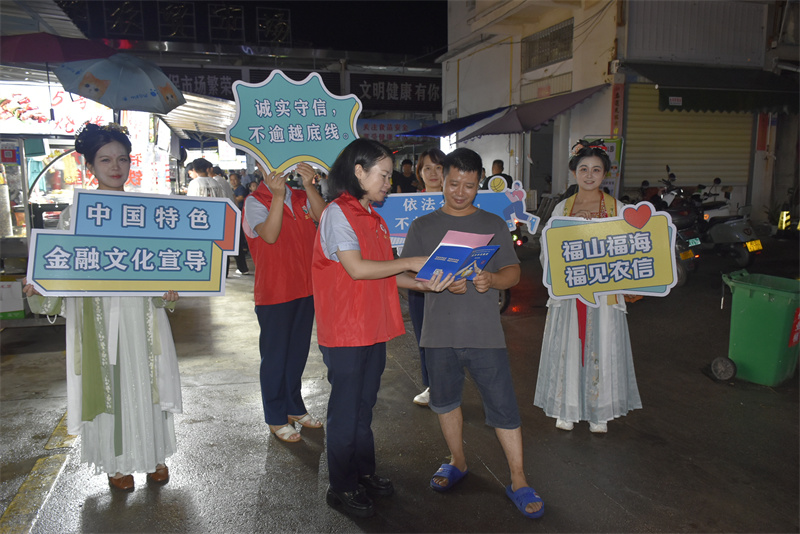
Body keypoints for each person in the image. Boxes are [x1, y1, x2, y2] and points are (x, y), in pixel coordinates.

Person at [23, 122, 182, 493]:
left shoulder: (147, 212)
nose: (116, 166)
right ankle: (116, 464)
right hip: (96, 316)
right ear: (90, 166)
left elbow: (166, 265)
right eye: (106, 159)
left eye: (123, 159)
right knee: (110, 385)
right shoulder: (73, 215)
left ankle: (154, 454)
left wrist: (172, 290)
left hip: (142, 314)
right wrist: (39, 284)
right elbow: (56, 270)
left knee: (149, 380)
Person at [401, 147, 544, 519]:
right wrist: (432, 285)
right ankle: (458, 461)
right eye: (453, 184)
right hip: (438, 335)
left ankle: (518, 479)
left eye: (468, 185)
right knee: (446, 402)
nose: (460, 192)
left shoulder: (493, 224)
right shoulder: (422, 226)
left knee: (504, 409)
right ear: (440, 180)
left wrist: (491, 279)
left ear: (479, 182)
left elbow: (512, 272)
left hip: (485, 336)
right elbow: (406, 278)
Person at [312, 138, 453, 518]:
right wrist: (411, 261)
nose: (389, 183)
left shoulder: (371, 216)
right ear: (359, 172)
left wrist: (421, 283)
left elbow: (382, 273)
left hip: (369, 326)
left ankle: (363, 472)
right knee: (345, 410)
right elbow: (357, 269)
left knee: (363, 405)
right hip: (345, 330)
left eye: (390, 176)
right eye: (384, 175)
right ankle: (341, 486)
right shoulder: (337, 214)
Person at [534, 140, 642, 434]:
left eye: (596, 169)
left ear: (605, 174)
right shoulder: (562, 208)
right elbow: (548, 249)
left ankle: (599, 411)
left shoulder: (617, 208)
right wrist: (571, 228)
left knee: (603, 345)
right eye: (583, 169)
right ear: (574, 173)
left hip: (605, 292)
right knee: (569, 345)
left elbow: (630, 249)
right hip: (571, 293)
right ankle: (566, 407)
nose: (590, 175)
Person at [243, 160, 327, 443]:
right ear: (258, 165)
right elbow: (269, 234)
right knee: (275, 357)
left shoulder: (302, 196)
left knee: (297, 353)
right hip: (275, 292)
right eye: (267, 163)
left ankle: (294, 406)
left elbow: (325, 219)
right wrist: (278, 196)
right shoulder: (255, 201)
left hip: (305, 288)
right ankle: (275, 416)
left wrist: (308, 186)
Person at [408, 147, 446, 406]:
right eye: (427, 168)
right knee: (424, 333)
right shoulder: (407, 204)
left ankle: (449, 382)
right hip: (419, 281)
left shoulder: (458, 201)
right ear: (419, 173)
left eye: (439, 167)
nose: (433, 173)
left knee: (453, 334)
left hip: (452, 279)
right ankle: (432, 384)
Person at [230, 172, 251, 275]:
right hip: (236, 215)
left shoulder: (241, 189)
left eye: (235, 179)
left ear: (239, 179)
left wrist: (233, 199)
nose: (233, 181)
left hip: (242, 215)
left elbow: (240, 198)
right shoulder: (232, 190)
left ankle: (245, 249)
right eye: (231, 179)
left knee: (240, 238)